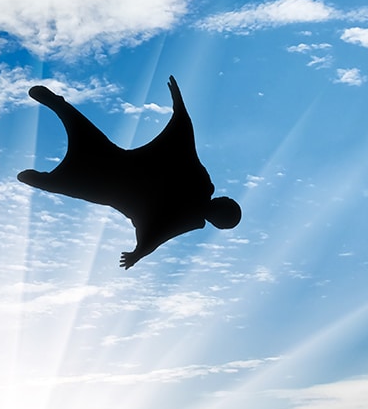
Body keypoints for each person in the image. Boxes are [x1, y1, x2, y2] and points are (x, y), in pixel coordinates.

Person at [18, 76, 241, 268]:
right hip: (116, 175)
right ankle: (55, 120)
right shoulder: (199, 187)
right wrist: (180, 110)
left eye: (226, 205)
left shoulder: (196, 199)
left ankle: (56, 122)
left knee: (79, 148)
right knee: (77, 152)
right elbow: (184, 146)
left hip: (116, 181)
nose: (222, 201)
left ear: (220, 211)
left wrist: (139, 253)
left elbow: (159, 234)